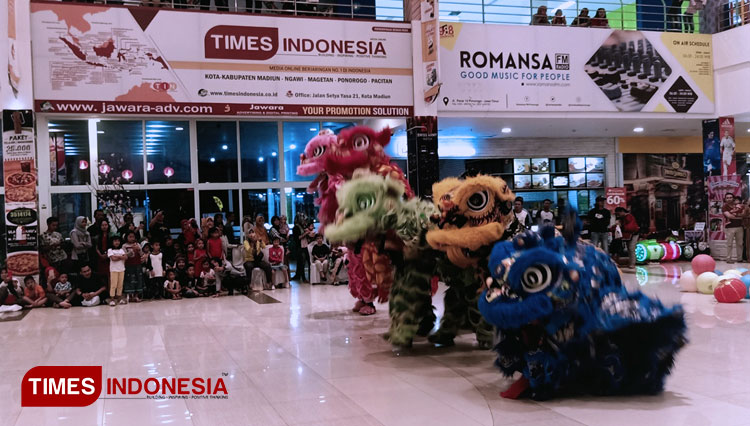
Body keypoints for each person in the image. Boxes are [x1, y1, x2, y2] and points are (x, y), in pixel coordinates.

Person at [122, 231, 143, 303]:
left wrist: (138, 249)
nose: (132, 238)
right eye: (130, 237)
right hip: (129, 265)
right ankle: (130, 296)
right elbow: (124, 256)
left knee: (138, 279)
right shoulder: (124, 246)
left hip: (137, 265)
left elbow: (141, 254)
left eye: (133, 236)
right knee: (129, 280)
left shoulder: (137, 244)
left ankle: (136, 296)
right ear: (126, 237)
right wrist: (131, 251)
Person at [107, 236, 128, 306]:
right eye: (115, 241)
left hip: (121, 269)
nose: (117, 242)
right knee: (113, 285)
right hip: (114, 270)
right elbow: (113, 258)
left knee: (120, 284)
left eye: (118, 241)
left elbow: (126, 257)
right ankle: (112, 299)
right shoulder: (110, 250)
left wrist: (118, 256)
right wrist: (121, 257)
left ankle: (119, 298)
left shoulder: (121, 250)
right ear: (112, 242)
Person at [723, 193, 744, 263]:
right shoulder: (724, 207)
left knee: (740, 244)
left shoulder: (738, 205)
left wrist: (737, 215)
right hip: (729, 228)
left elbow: (743, 215)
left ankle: (740, 259)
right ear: (725, 199)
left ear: (733, 198)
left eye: (730, 197)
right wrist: (739, 216)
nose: (729, 199)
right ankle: (728, 259)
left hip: (740, 227)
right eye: (727, 198)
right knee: (729, 244)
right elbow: (729, 216)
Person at [291, 213, 309, 282]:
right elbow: (297, 238)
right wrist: (305, 234)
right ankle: (303, 278)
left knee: (302, 262)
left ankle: (298, 276)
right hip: (299, 247)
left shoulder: (304, 227)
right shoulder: (295, 228)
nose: (304, 221)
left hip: (305, 246)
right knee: (302, 262)